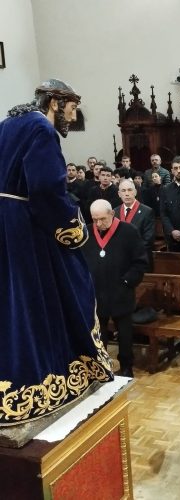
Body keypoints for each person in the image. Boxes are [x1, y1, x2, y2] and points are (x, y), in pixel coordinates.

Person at [0, 79, 113, 424]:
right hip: (26, 228)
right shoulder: (41, 129)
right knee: (44, 296)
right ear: (54, 102)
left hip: (4, 226)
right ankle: (43, 377)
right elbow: (48, 190)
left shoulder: (7, 124)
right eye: (72, 107)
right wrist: (74, 229)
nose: (73, 116)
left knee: (10, 302)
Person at [82, 200, 148, 378]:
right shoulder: (87, 232)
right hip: (96, 293)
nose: (98, 224)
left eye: (102, 219)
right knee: (99, 333)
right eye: (95, 219)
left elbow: (140, 262)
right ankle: (101, 366)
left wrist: (127, 282)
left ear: (112, 214)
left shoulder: (128, 231)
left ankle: (127, 366)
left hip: (121, 292)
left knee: (125, 334)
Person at [114, 179, 155, 271]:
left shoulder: (147, 211)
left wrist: (129, 252)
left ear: (135, 192)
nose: (127, 193)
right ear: (119, 194)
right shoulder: (115, 212)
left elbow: (148, 240)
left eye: (130, 190)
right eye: (123, 191)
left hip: (140, 260)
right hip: (120, 261)